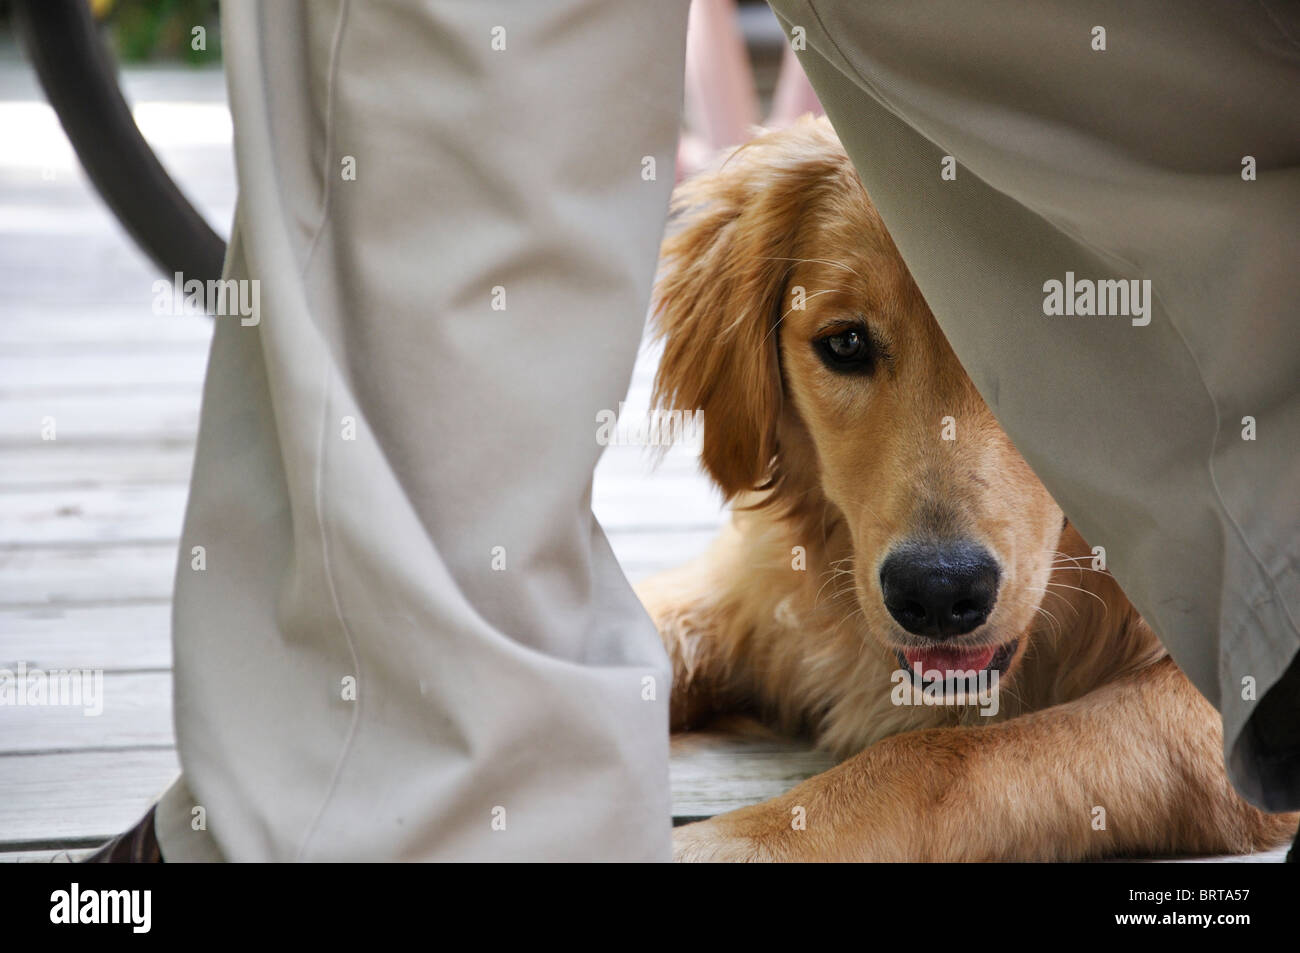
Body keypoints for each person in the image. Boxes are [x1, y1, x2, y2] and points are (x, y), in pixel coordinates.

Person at [90, 0, 1299, 862]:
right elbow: (715, 619)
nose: (939, 514)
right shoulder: (798, 551)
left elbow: (1228, 763)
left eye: (1012, 358)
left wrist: (874, 816)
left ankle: (372, 813)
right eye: (847, 348)